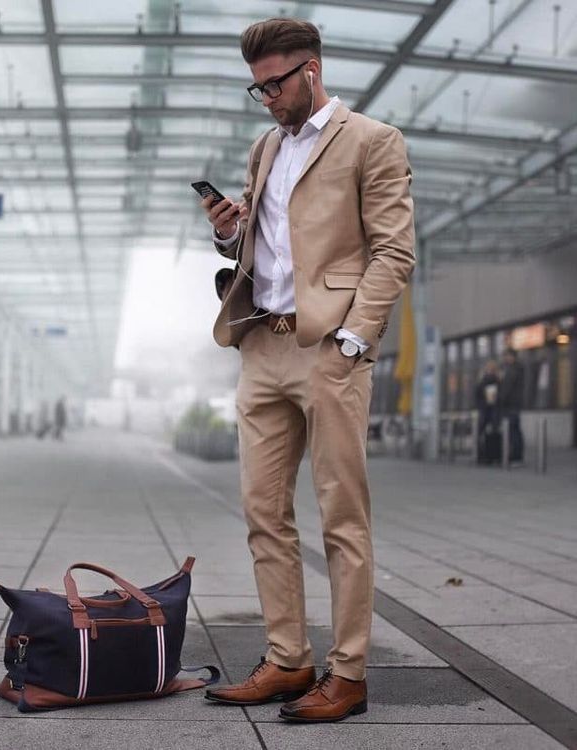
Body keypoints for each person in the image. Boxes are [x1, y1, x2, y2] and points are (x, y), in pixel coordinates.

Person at [199, 18, 415, 723]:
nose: (265, 98)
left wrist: (354, 339)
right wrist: (231, 230)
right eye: (255, 86)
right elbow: (270, 244)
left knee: (342, 520)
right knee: (264, 513)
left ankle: (347, 674)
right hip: (263, 345)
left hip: (329, 351)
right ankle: (288, 659)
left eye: (275, 83)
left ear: (311, 71)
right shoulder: (268, 146)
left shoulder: (373, 142)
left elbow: (393, 251)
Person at [499, 348, 525, 465]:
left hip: (511, 404)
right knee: (514, 430)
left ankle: (516, 456)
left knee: (513, 431)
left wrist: (500, 400)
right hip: (512, 404)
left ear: (512, 357)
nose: (505, 359)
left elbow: (506, 388)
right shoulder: (511, 369)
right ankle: (515, 455)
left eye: (507, 356)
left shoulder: (514, 369)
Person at [475, 360, 501, 465]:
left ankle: (486, 456)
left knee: (487, 434)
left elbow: (478, 394)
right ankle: (491, 456)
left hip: (489, 410)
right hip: (488, 410)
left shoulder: (486, 380)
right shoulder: (496, 380)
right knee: (490, 434)